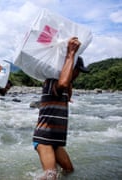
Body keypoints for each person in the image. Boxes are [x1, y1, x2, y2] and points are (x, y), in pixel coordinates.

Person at [32, 37, 90, 179]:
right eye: (77, 70)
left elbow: (67, 87)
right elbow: (63, 83)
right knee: (51, 176)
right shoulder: (52, 82)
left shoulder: (65, 86)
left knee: (69, 170)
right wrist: (70, 54)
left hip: (56, 141)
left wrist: (69, 74)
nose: (78, 74)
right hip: (44, 138)